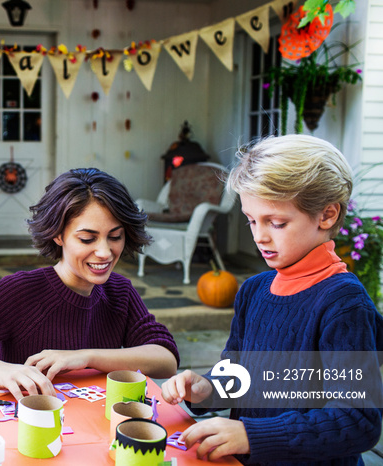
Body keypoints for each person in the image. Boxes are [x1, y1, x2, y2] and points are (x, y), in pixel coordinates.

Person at [161, 135, 383, 464]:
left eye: (276, 222)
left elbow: (357, 421)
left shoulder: (343, 304)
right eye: (252, 220)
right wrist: (207, 389)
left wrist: (251, 434)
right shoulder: (254, 290)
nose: (259, 236)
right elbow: (239, 375)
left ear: (327, 215)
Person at [0, 168, 179, 400]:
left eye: (115, 236)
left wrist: (85, 357)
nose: (105, 252)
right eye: (87, 239)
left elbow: (165, 359)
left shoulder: (120, 292)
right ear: (58, 235)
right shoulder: (20, 292)